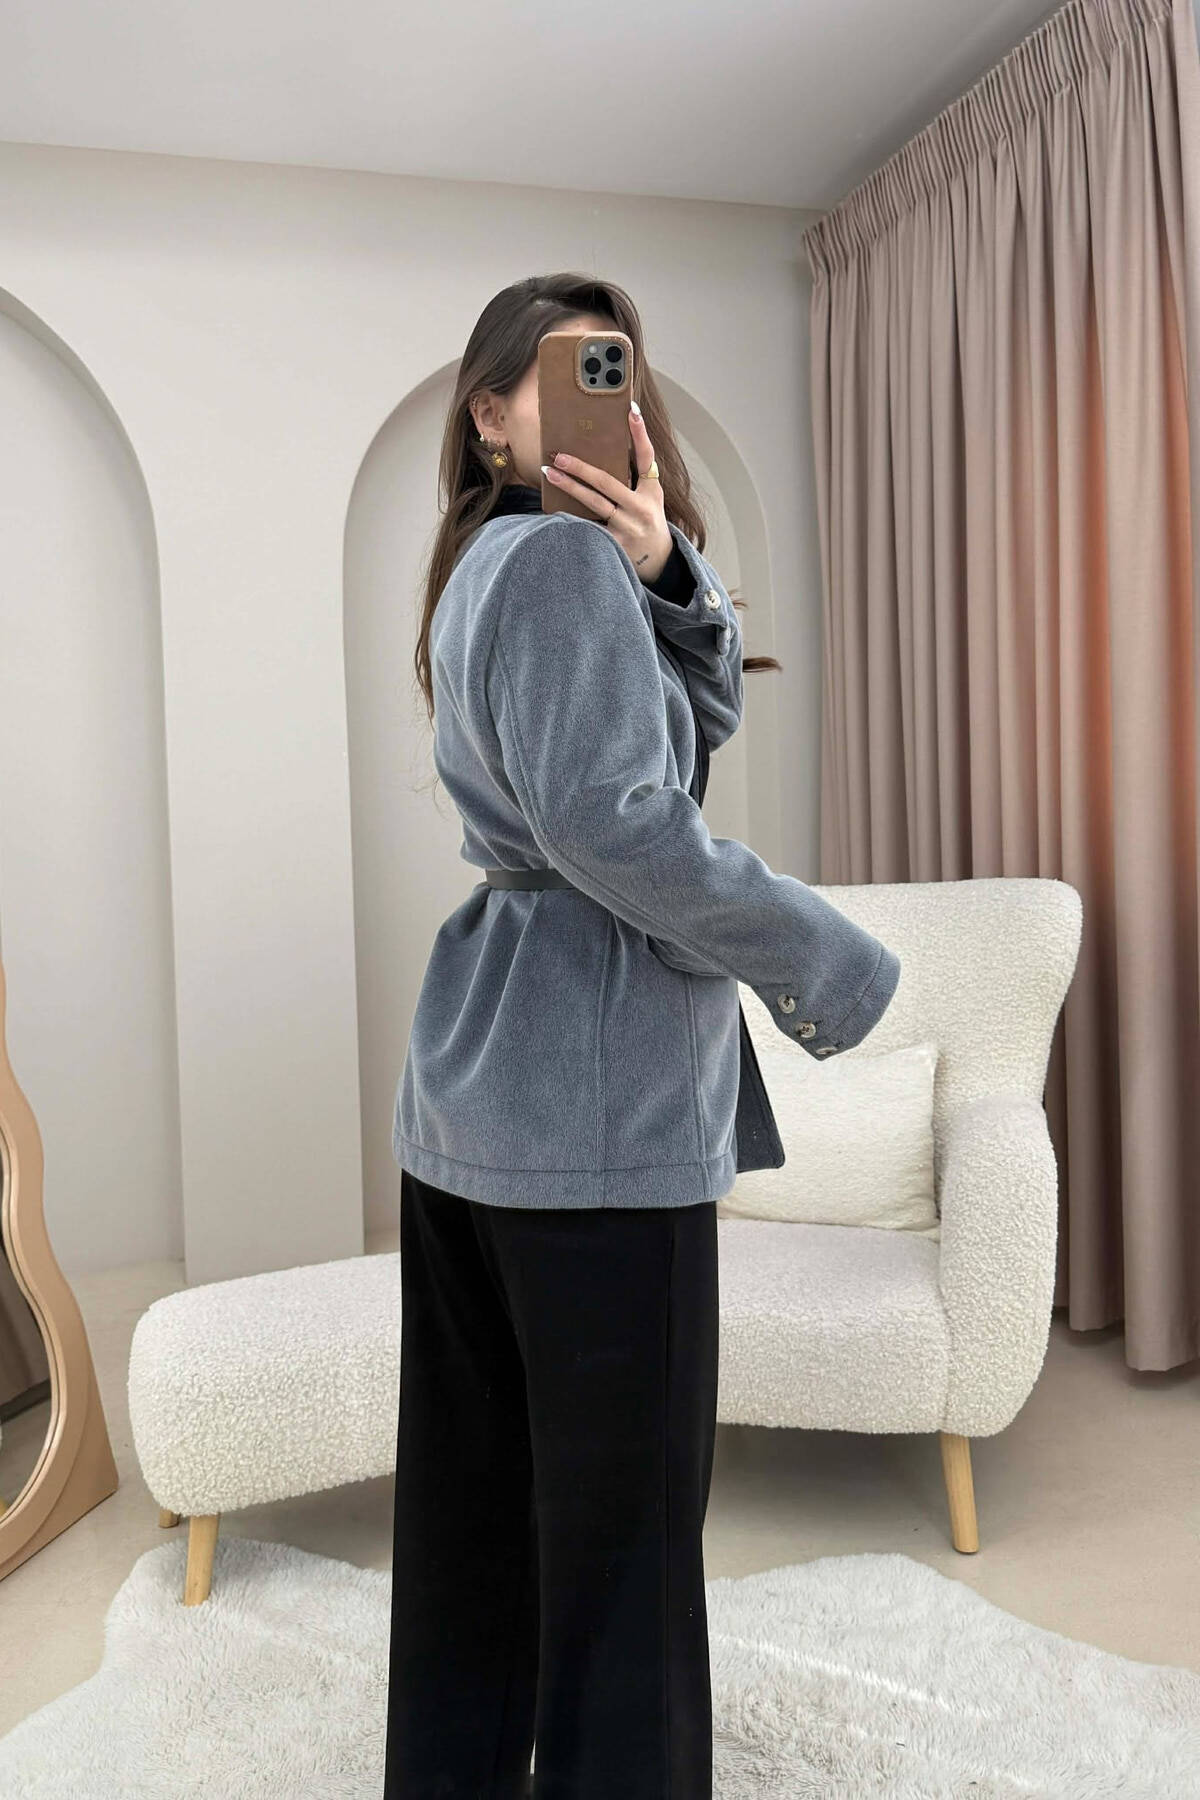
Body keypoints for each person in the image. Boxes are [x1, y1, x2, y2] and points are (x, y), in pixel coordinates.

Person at [384, 273, 901, 1799]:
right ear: (490, 413)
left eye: (615, 371)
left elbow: (683, 735)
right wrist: (826, 959)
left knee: (477, 1509)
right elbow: (619, 821)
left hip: (481, 1084)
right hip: (596, 1099)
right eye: (558, 375)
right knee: (624, 1547)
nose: (601, 396)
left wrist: (668, 566)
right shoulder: (554, 565)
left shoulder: (496, 563)